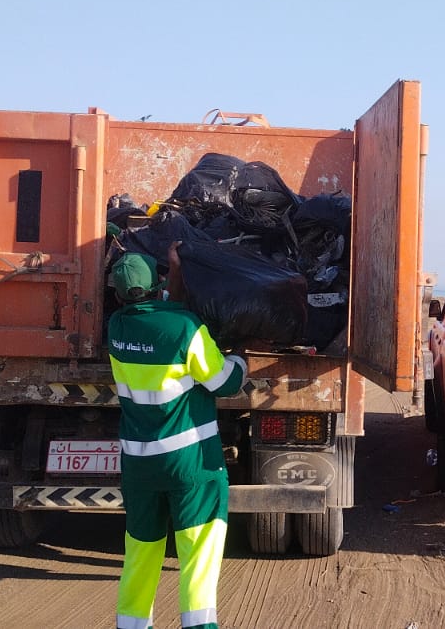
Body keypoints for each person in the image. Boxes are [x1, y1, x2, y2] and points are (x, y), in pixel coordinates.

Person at [110, 248, 249, 629]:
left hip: (139, 467)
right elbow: (224, 382)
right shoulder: (186, 328)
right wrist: (240, 357)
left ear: (117, 296)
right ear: (156, 286)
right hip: (190, 464)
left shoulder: (117, 329)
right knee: (197, 555)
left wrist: (173, 275)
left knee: (140, 554)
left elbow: (153, 316)